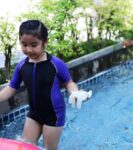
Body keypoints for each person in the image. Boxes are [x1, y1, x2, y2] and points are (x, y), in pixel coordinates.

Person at [0, 20, 92, 150]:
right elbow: (11, 87)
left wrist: (75, 93)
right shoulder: (22, 66)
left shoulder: (55, 64)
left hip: (53, 115)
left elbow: (69, 83)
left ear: (45, 42)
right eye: (24, 44)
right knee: (25, 147)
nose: (28, 49)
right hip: (34, 114)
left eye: (34, 44)